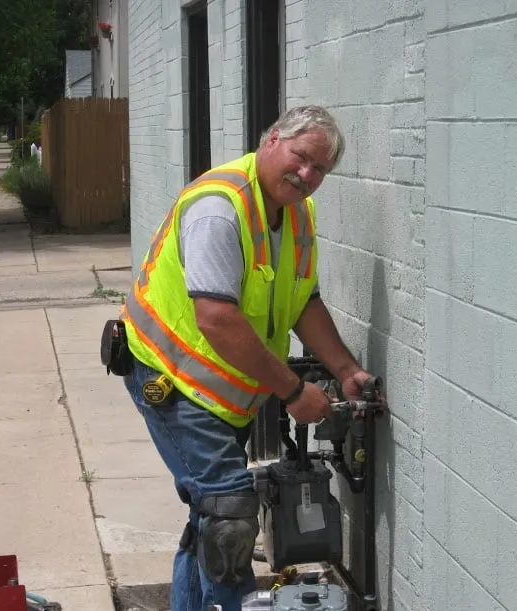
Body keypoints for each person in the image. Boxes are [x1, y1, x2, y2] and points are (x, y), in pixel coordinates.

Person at [119, 105, 379, 611]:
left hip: (217, 392)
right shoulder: (221, 205)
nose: (306, 175)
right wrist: (292, 392)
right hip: (169, 377)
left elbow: (303, 301)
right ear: (272, 140)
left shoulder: (298, 213)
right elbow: (216, 318)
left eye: (320, 169)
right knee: (230, 509)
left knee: (210, 516)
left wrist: (346, 370)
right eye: (301, 158)